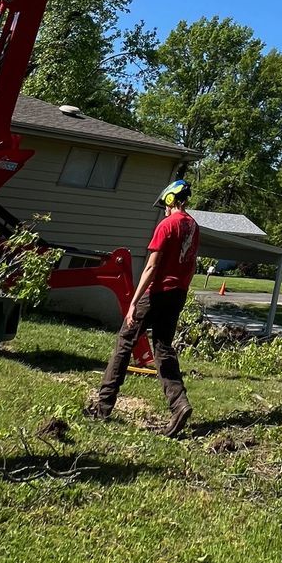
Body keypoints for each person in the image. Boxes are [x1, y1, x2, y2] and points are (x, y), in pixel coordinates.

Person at [88, 178, 199, 437]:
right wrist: (181, 289)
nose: (164, 209)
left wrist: (134, 302)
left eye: (165, 204)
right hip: (178, 294)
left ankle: (103, 407)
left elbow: (151, 267)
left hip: (157, 293)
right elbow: (192, 264)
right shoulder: (194, 227)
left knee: (125, 342)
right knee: (163, 349)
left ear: (171, 200)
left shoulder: (167, 225)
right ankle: (179, 404)